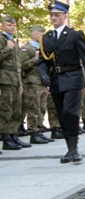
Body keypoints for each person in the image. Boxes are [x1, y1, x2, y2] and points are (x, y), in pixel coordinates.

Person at [36, 0, 85, 163]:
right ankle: (70, 149)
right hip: (56, 81)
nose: (54, 18)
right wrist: (43, 74)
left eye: (57, 15)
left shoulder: (74, 35)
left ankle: (74, 148)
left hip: (73, 78)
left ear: (65, 16)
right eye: (52, 15)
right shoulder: (46, 38)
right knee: (61, 115)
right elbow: (42, 61)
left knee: (69, 112)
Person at [20, 25, 51, 144]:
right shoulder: (26, 48)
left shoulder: (42, 49)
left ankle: (39, 131)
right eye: (41, 34)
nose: (43, 37)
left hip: (41, 82)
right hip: (31, 82)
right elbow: (21, 65)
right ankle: (33, 133)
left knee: (41, 108)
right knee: (33, 108)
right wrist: (35, 59)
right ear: (34, 35)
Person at [1, 15, 27, 151]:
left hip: (15, 80)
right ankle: (6, 138)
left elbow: (18, 66)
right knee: (6, 110)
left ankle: (13, 135)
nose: (12, 27)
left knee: (16, 109)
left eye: (13, 25)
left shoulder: (13, 41)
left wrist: (20, 83)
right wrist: (7, 48)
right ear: (2, 26)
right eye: (9, 25)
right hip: (4, 80)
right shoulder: (2, 40)